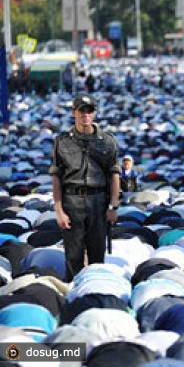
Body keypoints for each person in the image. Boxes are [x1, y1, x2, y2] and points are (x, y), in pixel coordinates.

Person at [50, 93, 120, 282]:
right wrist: (59, 211)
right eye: (82, 111)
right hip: (71, 200)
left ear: (95, 113)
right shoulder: (62, 141)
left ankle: (94, 290)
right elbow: (56, 177)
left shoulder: (107, 140)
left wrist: (113, 206)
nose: (85, 115)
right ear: (74, 112)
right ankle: (74, 295)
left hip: (98, 200)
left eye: (89, 111)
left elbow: (114, 175)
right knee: (73, 257)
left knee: (97, 254)